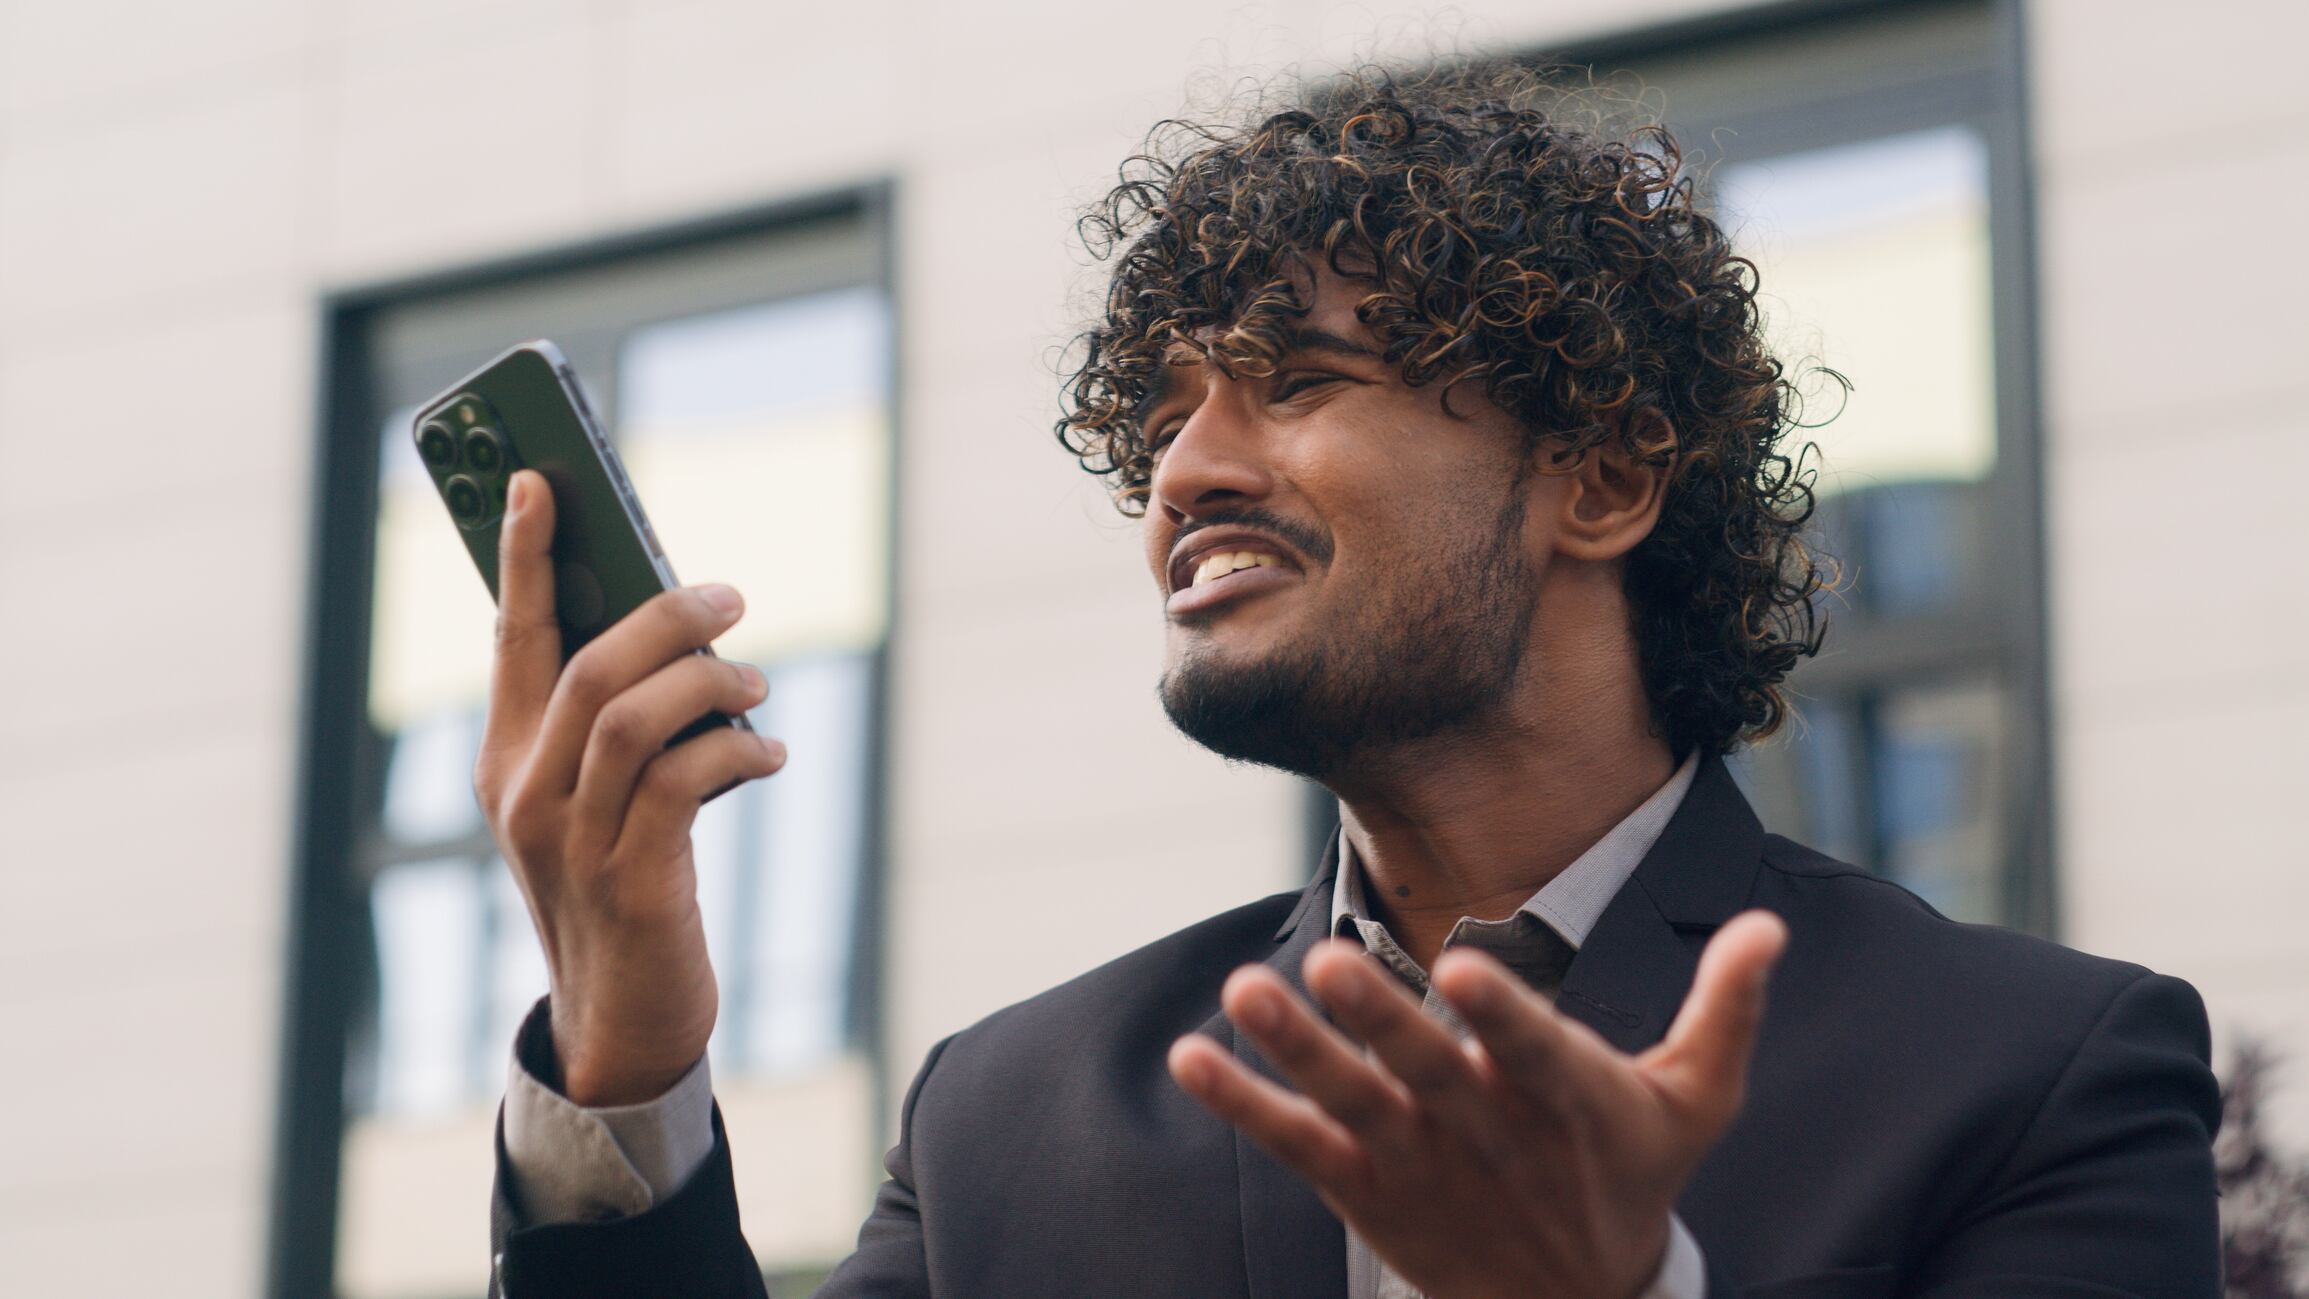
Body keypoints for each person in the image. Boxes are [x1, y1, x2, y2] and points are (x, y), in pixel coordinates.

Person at [475, 64, 2220, 1299]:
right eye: (1161, 421)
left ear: (1599, 481)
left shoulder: (2036, 1074)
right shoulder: (1010, 1118)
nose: (1185, 471)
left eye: (1291, 379)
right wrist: (624, 1050)